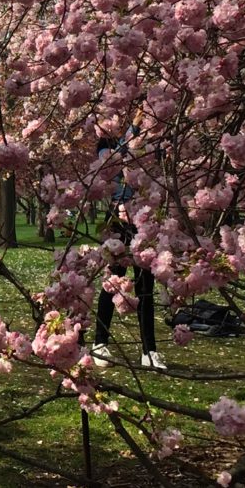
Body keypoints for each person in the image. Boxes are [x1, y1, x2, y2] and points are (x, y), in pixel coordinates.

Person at [91, 116, 166, 369]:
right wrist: (135, 125)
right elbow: (120, 153)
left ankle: (149, 350)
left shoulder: (143, 147)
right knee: (112, 282)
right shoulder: (105, 147)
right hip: (120, 221)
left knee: (146, 286)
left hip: (144, 220)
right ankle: (99, 343)